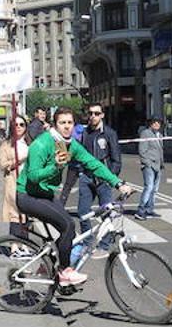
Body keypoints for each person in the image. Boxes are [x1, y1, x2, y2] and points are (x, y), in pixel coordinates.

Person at [17, 107, 133, 286]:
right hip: (28, 195)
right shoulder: (42, 144)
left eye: (70, 123)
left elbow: (93, 163)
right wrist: (54, 167)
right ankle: (65, 272)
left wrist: (118, 183)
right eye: (62, 123)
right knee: (68, 225)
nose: (67, 127)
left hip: (46, 194)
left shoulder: (70, 145)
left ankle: (48, 266)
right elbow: (32, 176)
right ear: (55, 124)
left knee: (68, 234)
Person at [78, 103, 122, 236]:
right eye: (90, 113)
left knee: (106, 213)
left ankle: (105, 244)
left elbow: (116, 159)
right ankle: (87, 241)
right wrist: (81, 172)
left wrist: (110, 177)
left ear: (102, 115)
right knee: (83, 212)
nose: (93, 116)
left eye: (96, 113)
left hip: (103, 180)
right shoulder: (85, 133)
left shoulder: (109, 133)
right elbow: (80, 153)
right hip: (87, 178)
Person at [0, 115, 30, 237]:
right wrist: (18, 161)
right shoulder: (6, 145)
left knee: (27, 214)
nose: (18, 127)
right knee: (15, 214)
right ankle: (15, 246)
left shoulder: (30, 143)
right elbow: (2, 165)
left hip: (29, 182)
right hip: (14, 182)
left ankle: (26, 244)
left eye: (21, 124)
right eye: (15, 125)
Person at [136, 117, 165, 219]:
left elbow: (160, 151)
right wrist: (147, 163)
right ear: (151, 124)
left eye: (159, 123)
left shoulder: (159, 135)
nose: (157, 124)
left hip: (158, 165)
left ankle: (150, 209)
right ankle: (141, 210)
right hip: (149, 165)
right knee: (148, 187)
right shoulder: (146, 133)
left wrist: (161, 163)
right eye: (155, 122)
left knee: (155, 189)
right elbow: (142, 150)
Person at [55, 115, 86, 207]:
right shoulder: (83, 130)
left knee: (67, 186)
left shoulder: (70, 132)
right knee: (86, 187)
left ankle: (61, 205)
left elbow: (63, 145)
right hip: (80, 163)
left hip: (74, 163)